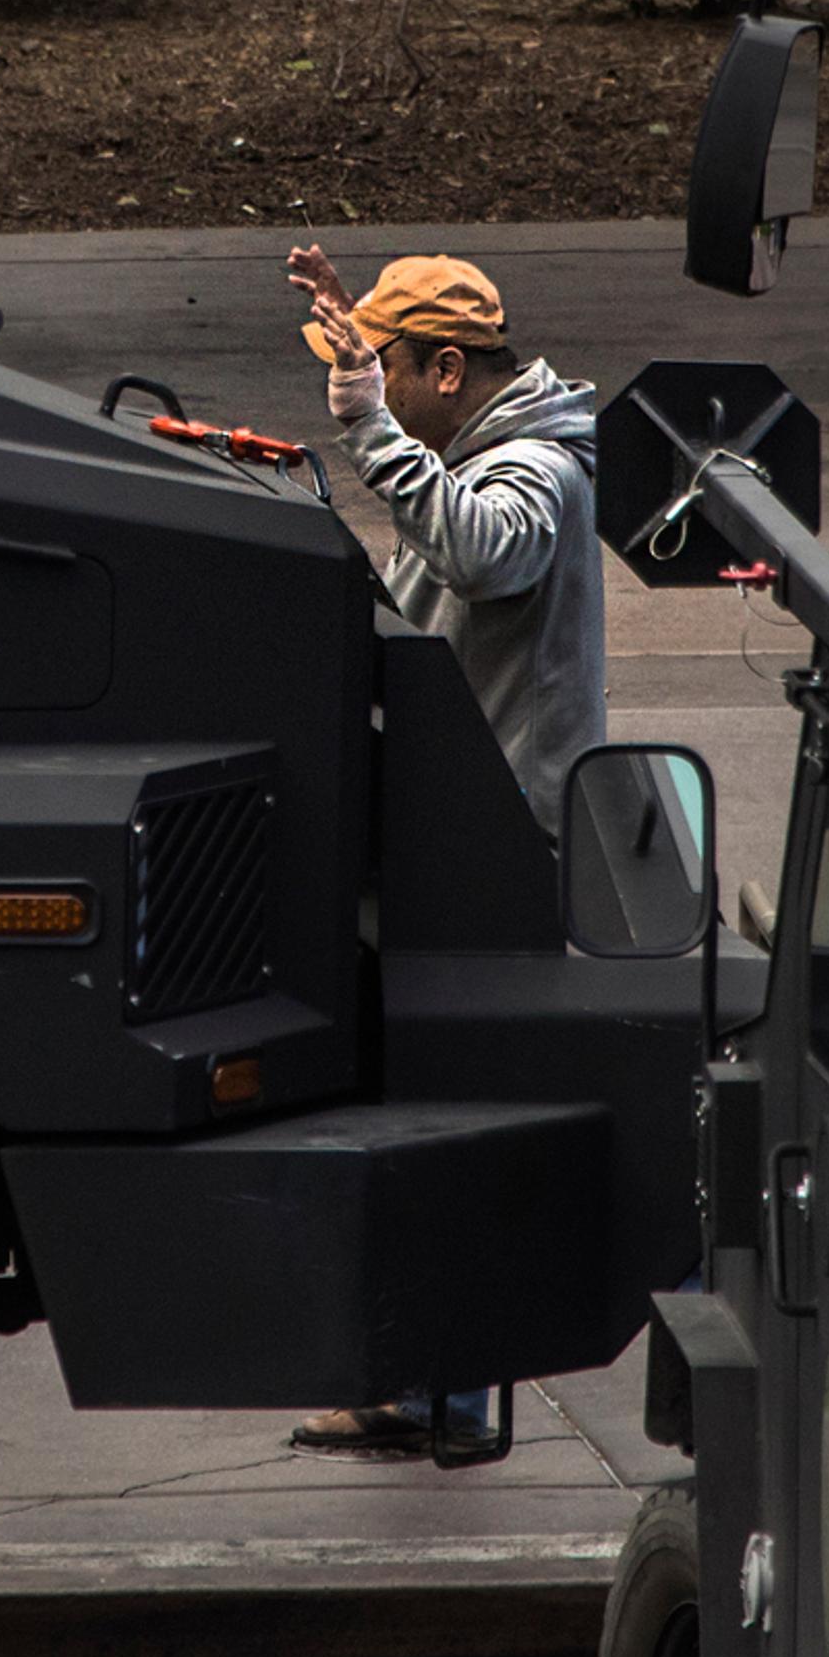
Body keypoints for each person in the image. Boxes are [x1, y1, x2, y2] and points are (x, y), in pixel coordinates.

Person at [282, 247, 607, 1454]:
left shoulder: (536, 467)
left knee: (445, 1116)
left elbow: (484, 552)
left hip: (494, 848)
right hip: (448, 828)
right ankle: (427, 1382)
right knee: (417, 1103)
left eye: (383, 372)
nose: (360, 389)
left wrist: (373, 437)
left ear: (447, 369)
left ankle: (447, 1392)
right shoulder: (474, 452)